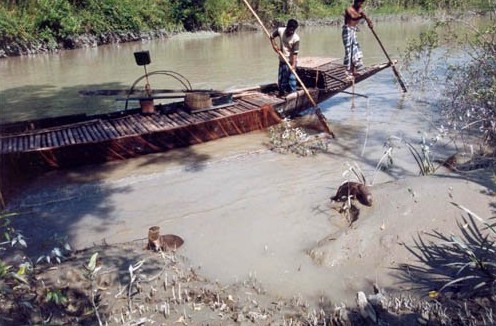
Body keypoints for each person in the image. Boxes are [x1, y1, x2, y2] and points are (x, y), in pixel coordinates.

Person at [270, 19, 300, 96]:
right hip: (282, 60)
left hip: (290, 61)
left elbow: (295, 53)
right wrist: (274, 46)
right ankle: (281, 94)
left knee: (292, 80)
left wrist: (293, 65)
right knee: (281, 80)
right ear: (287, 27)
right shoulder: (280, 30)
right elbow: (271, 36)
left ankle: (293, 95)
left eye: (293, 30)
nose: (292, 32)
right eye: (290, 30)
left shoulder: (296, 38)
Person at [342, 0, 373, 74]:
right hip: (347, 30)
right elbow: (353, 17)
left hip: (353, 30)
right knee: (348, 49)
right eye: (360, 2)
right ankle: (348, 69)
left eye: (362, 2)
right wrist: (362, 16)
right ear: (356, 2)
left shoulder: (360, 10)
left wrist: (369, 22)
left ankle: (354, 69)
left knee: (355, 48)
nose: (361, 4)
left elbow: (367, 18)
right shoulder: (349, 9)